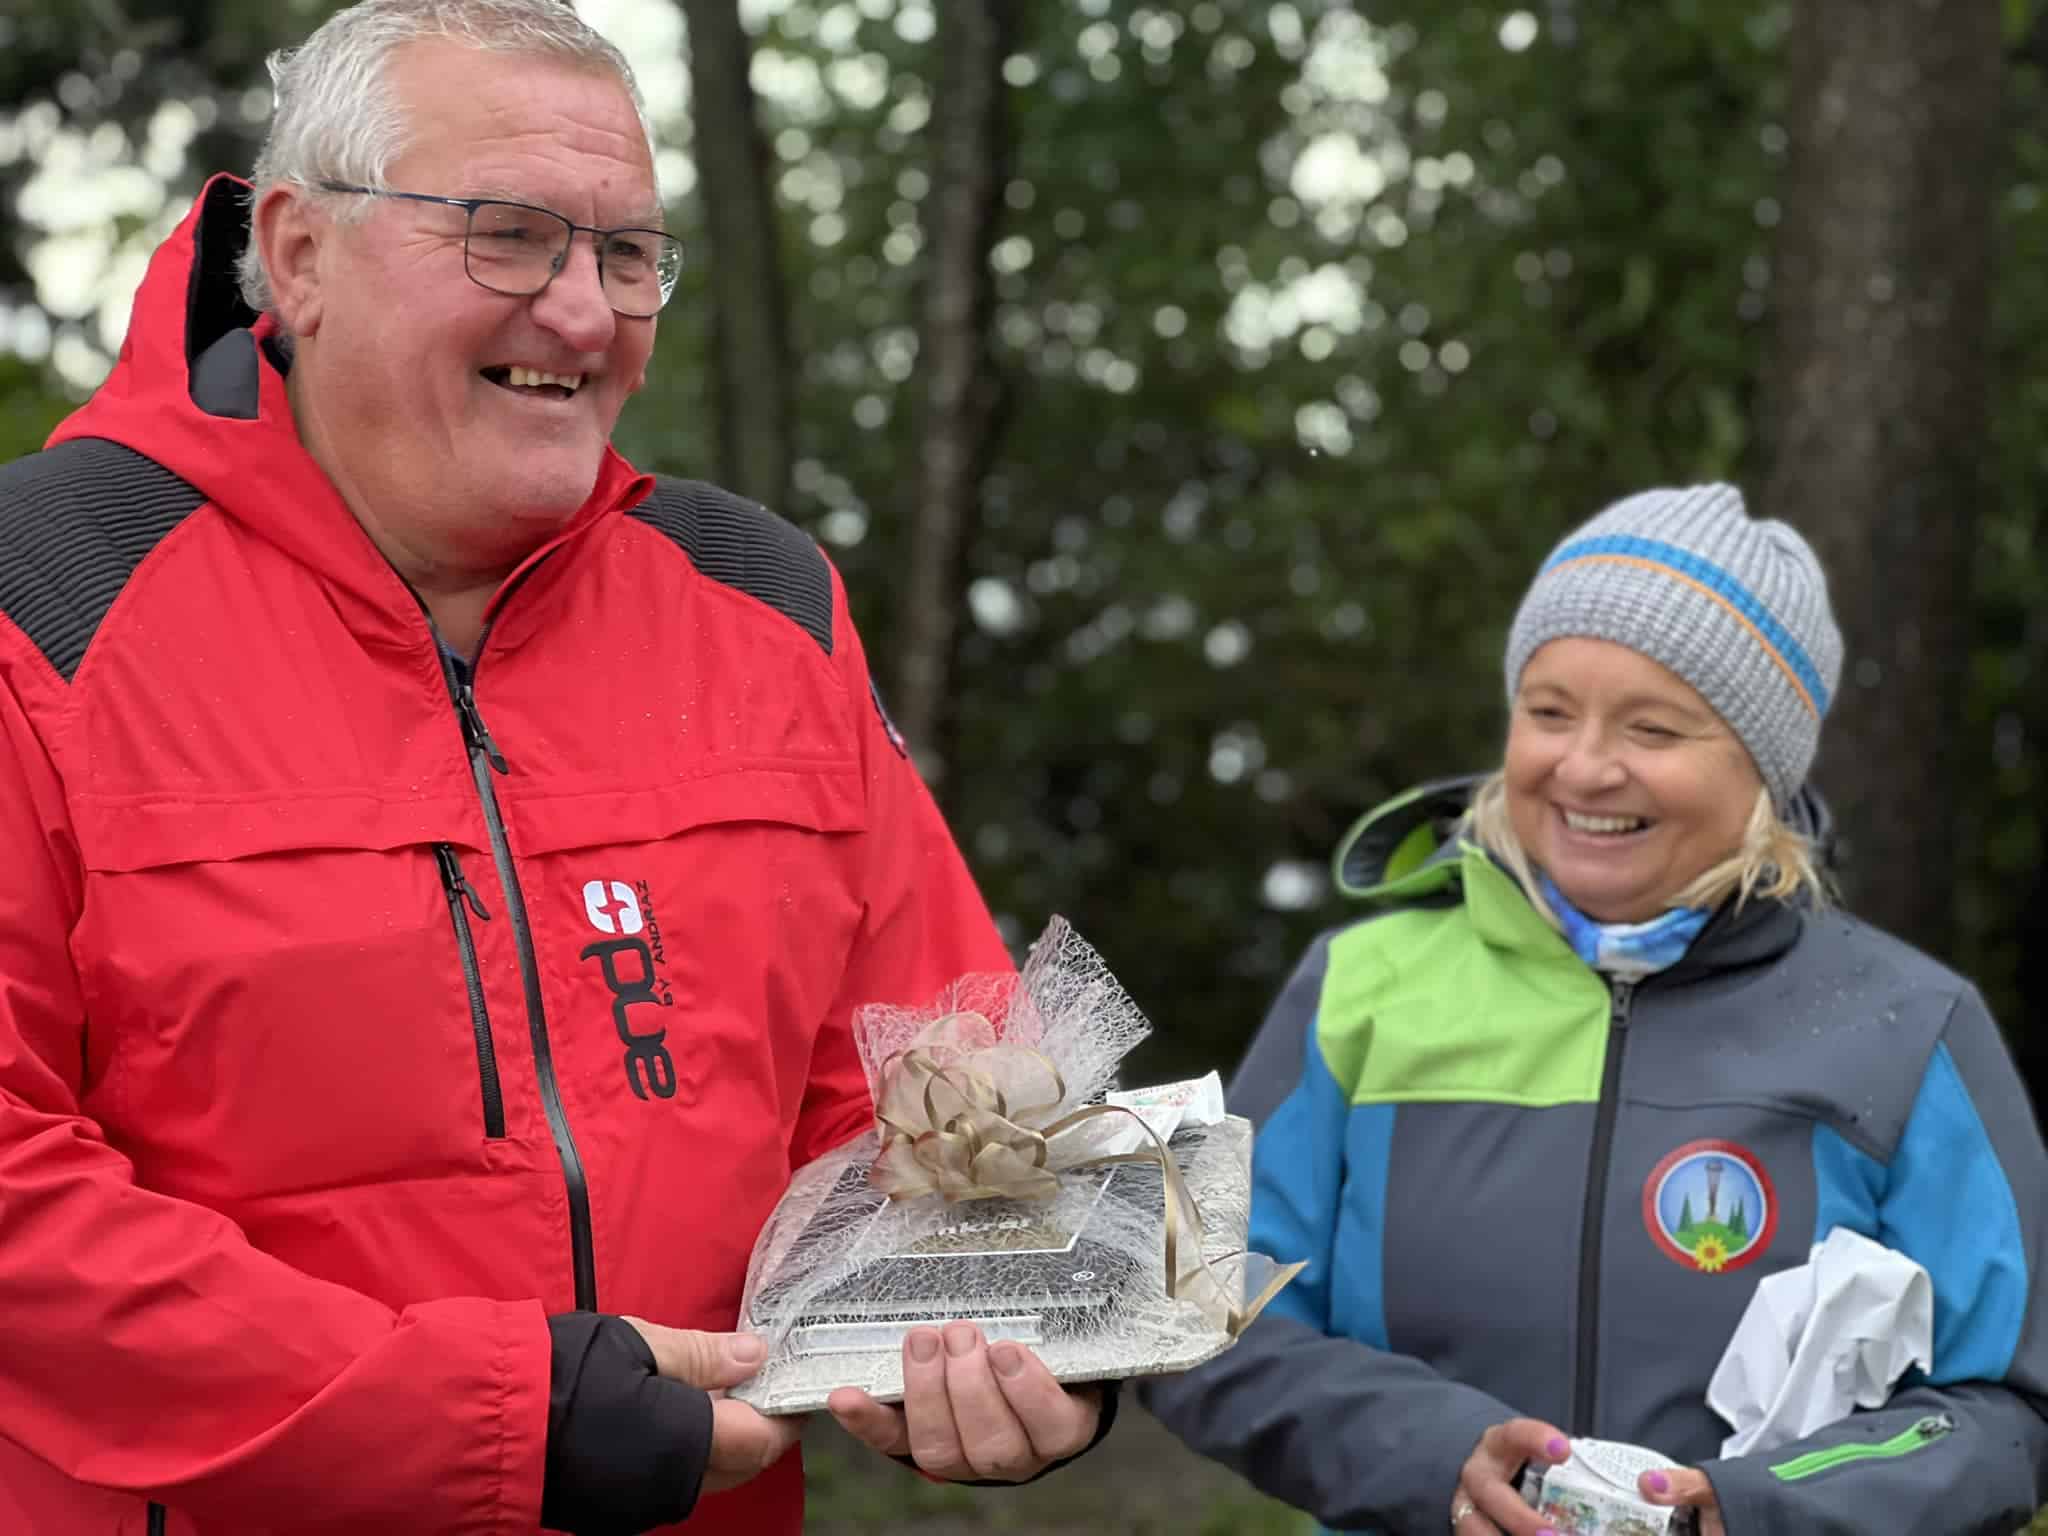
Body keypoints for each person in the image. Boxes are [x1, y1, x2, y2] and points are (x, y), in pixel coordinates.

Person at [0, 2, 1106, 1531]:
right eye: (507, 237)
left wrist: (1050, 1316)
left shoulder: (761, 603)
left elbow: (940, 1097)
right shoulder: (39, 598)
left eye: (627, 254)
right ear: (303, 254)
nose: (583, 315)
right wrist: (510, 1418)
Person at [1142, 484, 2048, 1535]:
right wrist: (1438, 1460)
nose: (1581, 767)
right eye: (1547, 712)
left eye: (1652, 727)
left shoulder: (1907, 1025)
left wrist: (1754, 1511)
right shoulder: (1358, 990)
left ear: (1761, 767)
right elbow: (1197, 1317)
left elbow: (2010, 1409)